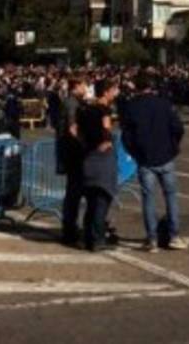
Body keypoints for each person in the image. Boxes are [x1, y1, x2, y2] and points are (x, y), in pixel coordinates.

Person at [121, 72, 188, 252]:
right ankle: (174, 235)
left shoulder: (131, 107)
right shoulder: (163, 104)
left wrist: (135, 153)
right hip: (166, 156)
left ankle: (152, 239)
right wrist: (173, 147)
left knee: (148, 199)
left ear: (136, 87)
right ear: (151, 87)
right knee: (171, 196)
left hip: (145, 158)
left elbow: (126, 136)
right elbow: (178, 128)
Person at [78, 79, 119, 251]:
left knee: (92, 201)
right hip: (101, 159)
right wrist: (107, 141)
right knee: (102, 200)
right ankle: (97, 239)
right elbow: (106, 130)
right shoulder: (104, 110)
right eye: (114, 89)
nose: (116, 93)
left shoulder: (86, 110)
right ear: (106, 92)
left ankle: (87, 238)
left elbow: (78, 132)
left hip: (87, 159)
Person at [57, 75, 88, 246]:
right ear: (77, 86)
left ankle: (71, 228)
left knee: (74, 193)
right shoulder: (71, 103)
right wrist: (85, 145)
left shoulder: (76, 102)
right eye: (84, 85)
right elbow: (72, 128)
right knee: (74, 194)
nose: (86, 89)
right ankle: (70, 231)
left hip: (72, 153)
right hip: (73, 154)